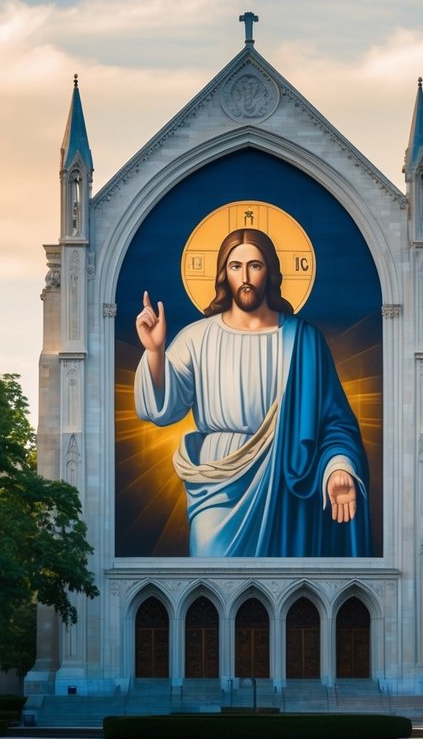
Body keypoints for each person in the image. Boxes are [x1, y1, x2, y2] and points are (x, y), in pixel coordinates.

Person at [134, 227, 371, 558]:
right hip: (217, 484)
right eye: (235, 266)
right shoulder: (196, 337)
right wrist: (155, 352)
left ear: (269, 271)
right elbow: (161, 408)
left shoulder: (304, 340)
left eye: (255, 266)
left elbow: (335, 422)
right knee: (211, 581)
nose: (245, 277)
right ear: (224, 274)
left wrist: (339, 466)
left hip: (285, 479)